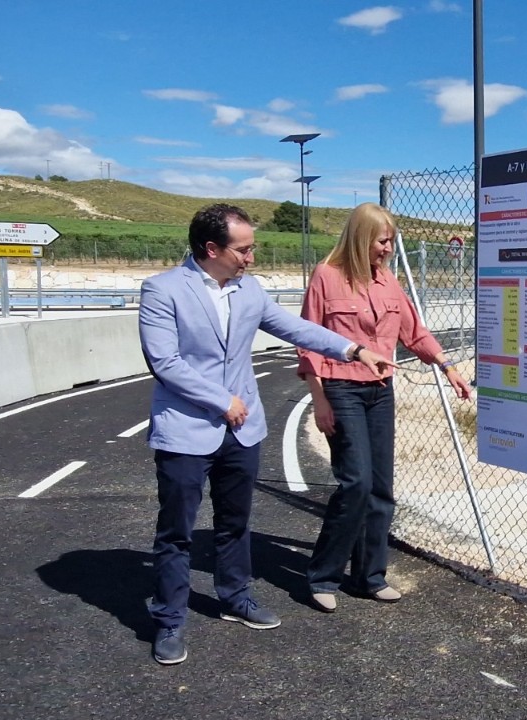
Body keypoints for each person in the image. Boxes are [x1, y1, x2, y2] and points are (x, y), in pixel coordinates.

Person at [139, 203, 393, 665]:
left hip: (242, 430)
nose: (251, 258)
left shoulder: (249, 288)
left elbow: (295, 328)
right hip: (187, 430)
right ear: (211, 248)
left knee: (235, 523)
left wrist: (354, 349)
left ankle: (235, 597)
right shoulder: (163, 290)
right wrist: (222, 401)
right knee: (177, 532)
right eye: (243, 250)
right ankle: (170, 619)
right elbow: (164, 362)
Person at [299, 202, 473, 613]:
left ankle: (368, 577)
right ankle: (322, 575)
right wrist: (319, 399)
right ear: (362, 238)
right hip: (341, 390)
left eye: (391, 241)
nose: (389, 249)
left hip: (380, 392)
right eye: (383, 241)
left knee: (381, 488)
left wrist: (448, 367)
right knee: (355, 483)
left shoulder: (387, 281)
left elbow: (414, 332)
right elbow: (307, 342)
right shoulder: (326, 276)